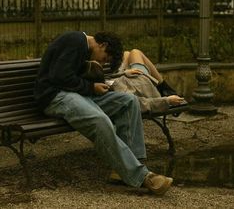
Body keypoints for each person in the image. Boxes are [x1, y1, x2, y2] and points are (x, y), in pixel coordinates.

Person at [34, 31, 173, 196]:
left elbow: (73, 76)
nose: (101, 61)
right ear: (103, 45)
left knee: (129, 102)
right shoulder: (75, 40)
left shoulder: (83, 48)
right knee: (99, 120)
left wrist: (101, 83)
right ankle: (142, 176)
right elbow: (59, 77)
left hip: (76, 95)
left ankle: (128, 167)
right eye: (105, 58)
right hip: (55, 96)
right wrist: (91, 88)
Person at [106, 49, 187, 113]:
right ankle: (164, 89)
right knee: (135, 52)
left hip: (128, 81)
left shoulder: (103, 81)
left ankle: (164, 89)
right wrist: (167, 101)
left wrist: (123, 73)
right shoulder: (122, 96)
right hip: (139, 85)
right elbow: (141, 103)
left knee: (127, 54)